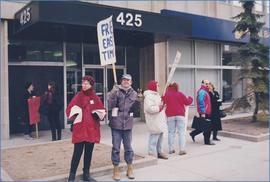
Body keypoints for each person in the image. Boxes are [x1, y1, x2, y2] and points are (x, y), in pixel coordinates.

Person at [66, 75, 105, 182]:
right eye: (83, 83)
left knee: (88, 153)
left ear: (91, 85)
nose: (83, 85)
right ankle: (72, 175)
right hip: (80, 129)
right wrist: (75, 114)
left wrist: (99, 115)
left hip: (91, 130)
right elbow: (69, 109)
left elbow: (102, 110)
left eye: (86, 83)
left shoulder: (95, 98)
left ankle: (86, 174)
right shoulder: (78, 96)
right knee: (77, 153)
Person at [107, 74, 140, 181]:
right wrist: (112, 92)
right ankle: (116, 169)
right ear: (121, 81)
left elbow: (136, 109)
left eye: (128, 80)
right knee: (116, 148)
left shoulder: (134, 93)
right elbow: (110, 105)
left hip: (128, 125)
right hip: (116, 124)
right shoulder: (116, 91)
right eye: (124, 80)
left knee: (128, 148)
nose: (126, 81)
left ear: (131, 82)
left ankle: (129, 168)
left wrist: (139, 101)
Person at [163, 82, 193, 155]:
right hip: (180, 115)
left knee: (171, 132)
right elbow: (187, 102)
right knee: (181, 133)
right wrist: (190, 98)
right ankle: (182, 149)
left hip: (170, 115)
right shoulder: (180, 94)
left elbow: (163, 101)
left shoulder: (166, 94)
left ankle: (171, 149)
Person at [143, 80, 168, 159]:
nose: (158, 87)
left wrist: (163, 102)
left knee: (160, 136)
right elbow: (149, 108)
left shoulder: (156, 95)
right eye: (157, 85)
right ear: (153, 86)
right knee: (154, 137)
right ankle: (151, 153)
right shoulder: (149, 96)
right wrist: (159, 108)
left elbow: (159, 105)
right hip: (153, 120)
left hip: (159, 119)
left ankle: (159, 152)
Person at [190, 79, 214, 145]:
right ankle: (207, 141)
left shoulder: (205, 91)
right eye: (207, 83)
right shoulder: (202, 91)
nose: (208, 85)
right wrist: (203, 112)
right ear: (204, 84)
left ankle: (193, 134)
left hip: (206, 111)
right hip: (204, 112)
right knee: (207, 127)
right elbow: (201, 101)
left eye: (208, 83)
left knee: (203, 126)